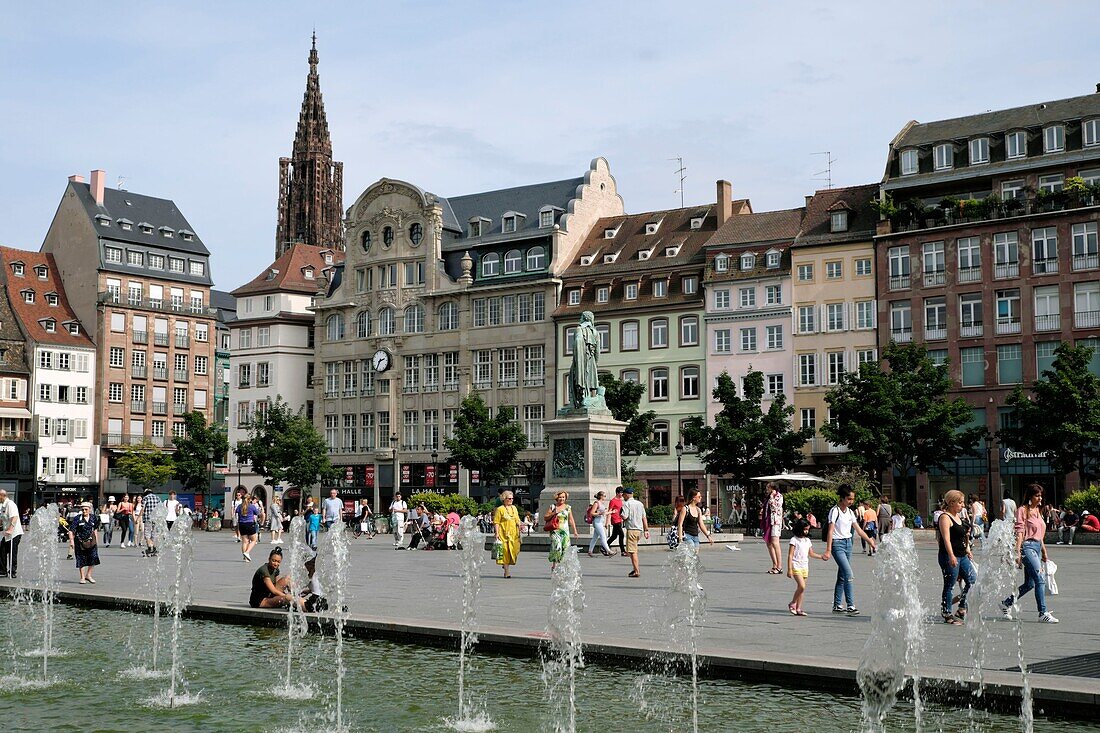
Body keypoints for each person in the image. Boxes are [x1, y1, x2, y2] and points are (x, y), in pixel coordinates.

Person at [1002, 483, 1058, 623]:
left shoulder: (1038, 511)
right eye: (1037, 496)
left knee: (1030, 584)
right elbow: (1019, 532)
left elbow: (1040, 535)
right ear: (1030, 496)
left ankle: (1006, 603)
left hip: (1037, 547)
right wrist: (1017, 551)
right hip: (1027, 547)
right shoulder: (1022, 510)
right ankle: (1042, 613)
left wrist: (1044, 552)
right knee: (1040, 580)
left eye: (1041, 496)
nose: (1040, 498)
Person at [823, 484, 876, 616]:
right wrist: (828, 550)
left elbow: (858, 529)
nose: (851, 501)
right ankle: (851, 605)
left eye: (852, 499)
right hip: (837, 545)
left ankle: (837, 604)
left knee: (842, 575)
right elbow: (830, 531)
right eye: (849, 499)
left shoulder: (850, 512)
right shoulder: (835, 511)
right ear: (842, 498)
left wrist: (870, 541)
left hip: (848, 544)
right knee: (848, 574)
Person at [937, 490, 975, 625]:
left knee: (973, 580)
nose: (962, 505)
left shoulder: (959, 517)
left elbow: (964, 536)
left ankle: (961, 608)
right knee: (950, 585)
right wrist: (951, 555)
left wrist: (968, 549)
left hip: (962, 555)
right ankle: (947, 613)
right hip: (949, 556)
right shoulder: (945, 517)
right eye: (960, 502)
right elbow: (946, 539)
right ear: (952, 502)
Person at [786, 519, 825, 616]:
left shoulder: (807, 540)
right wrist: (789, 569)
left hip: (805, 566)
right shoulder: (794, 540)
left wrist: (821, 556)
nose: (806, 531)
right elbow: (790, 555)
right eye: (805, 529)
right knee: (802, 586)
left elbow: (811, 554)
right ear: (800, 529)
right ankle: (793, 603)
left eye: (808, 530)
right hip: (796, 565)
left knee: (802, 589)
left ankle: (798, 608)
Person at [620, 486, 650, 578]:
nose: (623, 497)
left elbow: (624, 516)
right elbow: (644, 517)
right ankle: (635, 568)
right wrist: (646, 530)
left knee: (633, 552)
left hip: (632, 529)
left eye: (623, 495)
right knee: (632, 550)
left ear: (626, 495)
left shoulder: (626, 504)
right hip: (639, 530)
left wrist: (620, 514)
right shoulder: (640, 504)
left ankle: (636, 570)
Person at [68, 501, 100, 584]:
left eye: (86, 509)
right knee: (81, 559)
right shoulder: (77, 518)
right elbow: (71, 531)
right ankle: (82, 577)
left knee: (93, 557)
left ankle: (88, 575)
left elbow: (95, 528)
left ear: (89, 510)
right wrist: (72, 541)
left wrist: (96, 539)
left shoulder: (93, 518)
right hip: (80, 541)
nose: (84, 511)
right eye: (83, 509)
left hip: (91, 541)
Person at [544, 491, 577, 570]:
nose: (562, 499)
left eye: (563, 497)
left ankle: (563, 567)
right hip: (555, 531)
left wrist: (575, 531)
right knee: (557, 547)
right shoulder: (553, 506)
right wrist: (554, 513)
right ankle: (555, 566)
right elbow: (545, 517)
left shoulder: (568, 507)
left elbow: (571, 519)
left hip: (565, 531)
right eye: (560, 497)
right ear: (557, 498)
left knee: (565, 548)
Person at [493, 490, 521, 577]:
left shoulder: (514, 508)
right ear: (504, 499)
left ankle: (505, 565)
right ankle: (506, 571)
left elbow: (517, 519)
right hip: (503, 533)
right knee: (505, 552)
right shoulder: (500, 509)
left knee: (515, 550)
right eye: (509, 499)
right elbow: (496, 522)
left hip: (514, 534)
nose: (511, 500)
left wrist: (520, 525)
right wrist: (497, 533)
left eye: (512, 499)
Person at [0, 488, 23, 578]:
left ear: (2, 496)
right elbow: (2, 519)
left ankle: (13, 571)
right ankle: (3, 570)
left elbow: (14, 517)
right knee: (2, 550)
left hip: (14, 533)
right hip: (7, 534)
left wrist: (10, 529)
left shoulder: (11, 504)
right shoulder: (3, 506)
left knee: (12, 552)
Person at [763, 482, 784, 573]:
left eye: (768, 488)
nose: (767, 490)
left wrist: (772, 497)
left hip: (775, 522)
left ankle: (779, 566)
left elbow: (775, 507)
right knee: (769, 543)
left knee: (775, 543)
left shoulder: (779, 496)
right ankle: (774, 564)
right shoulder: (768, 498)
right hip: (768, 521)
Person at [586, 491, 611, 558]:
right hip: (597, 522)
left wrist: (611, 512)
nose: (605, 497)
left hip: (600, 521)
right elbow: (592, 513)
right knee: (603, 536)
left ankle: (590, 551)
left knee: (595, 538)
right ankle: (608, 551)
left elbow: (604, 513)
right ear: (601, 496)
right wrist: (599, 513)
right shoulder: (596, 503)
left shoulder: (601, 503)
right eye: (604, 496)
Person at [237, 494, 261, 562]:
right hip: (250, 524)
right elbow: (257, 513)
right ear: (250, 499)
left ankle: (245, 558)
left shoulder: (239, 506)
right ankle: (247, 552)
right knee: (254, 540)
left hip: (241, 524)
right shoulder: (252, 506)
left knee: (245, 542)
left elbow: (237, 513)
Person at [138, 488, 161, 557]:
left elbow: (143, 508)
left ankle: (150, 548)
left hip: (148, 518)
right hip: (156, 518)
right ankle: (153, 549)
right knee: (153, 534)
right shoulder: (157, 498)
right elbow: (161, 508)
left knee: (147, 534)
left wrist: (139, 517)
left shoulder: (145, 498)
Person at [606, 487, 626, 557]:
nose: (622, 494)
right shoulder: (612, 501)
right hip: (615, 520)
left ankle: (604, 546)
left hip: (619, 519)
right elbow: (609, 511)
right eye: (621, 492)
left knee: (614, 536)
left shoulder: (620, 500)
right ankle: (623, 551)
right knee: (622, 535)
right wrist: (607, 522)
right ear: (617, 493)